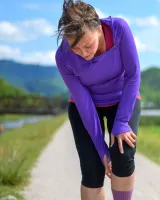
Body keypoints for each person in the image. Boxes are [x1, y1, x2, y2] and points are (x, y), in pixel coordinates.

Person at [54, 0, 141, 200]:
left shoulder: (118, 28)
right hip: (85, 106)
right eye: (76, 49)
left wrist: (121, 123)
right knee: (93, 169)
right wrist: (101, 149)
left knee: (123, 155)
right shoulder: (62, 58)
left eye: (87, 45)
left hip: (122, 99)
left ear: (99, 29)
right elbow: (83, 101)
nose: (84, 54)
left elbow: (133, 75)